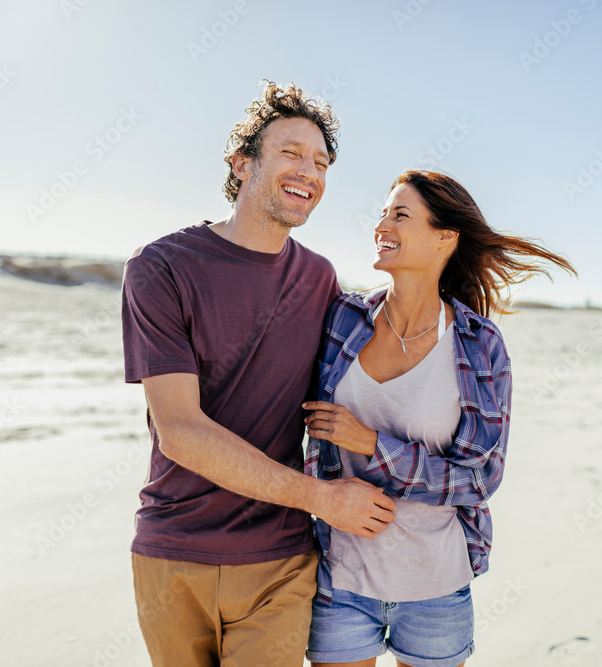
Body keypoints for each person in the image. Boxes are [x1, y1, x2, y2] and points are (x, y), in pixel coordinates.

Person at [120, 81, 396, 667]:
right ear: (242, 163)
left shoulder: (320, 279)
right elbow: (181, 432)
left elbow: (391, 342)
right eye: (292, 153)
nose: (311, 172)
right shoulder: (161, 267)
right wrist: (324, 498)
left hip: (279, 561)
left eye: (321, 162)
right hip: (174, 553)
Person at [303, 170, 576, 667]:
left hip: (435, 585)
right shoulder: (341, 319)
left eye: (400, 214)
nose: (381, 224)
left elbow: (480, 479)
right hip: (341, 577)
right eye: (383, 212)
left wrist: (371, 444)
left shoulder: (478, 344)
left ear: (445, 237)